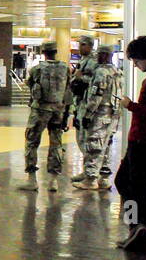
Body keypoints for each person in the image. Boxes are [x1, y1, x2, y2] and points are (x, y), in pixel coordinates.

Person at [115, 36, 146, 250]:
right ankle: (137, 225)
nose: (134, 64)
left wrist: (130, 105)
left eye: (135, 60)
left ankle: (136, 225)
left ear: (143, 57)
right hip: (140, 140)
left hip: (141, 141)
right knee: (129, 183)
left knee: (129, 183)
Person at [18, 40, 72, 192]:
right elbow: (68, 92)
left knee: (31, 141)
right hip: (58, 110)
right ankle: (53, 181)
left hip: (40, 110)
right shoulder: (65, 68)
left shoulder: (37, 69)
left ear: (44, 52)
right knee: (56, 143)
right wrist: (66, 114)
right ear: (56, 51)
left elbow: (30, 85)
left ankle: (32, 180)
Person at [74, 44, 119, 191]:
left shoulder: (100, 72)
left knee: (93, 145)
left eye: (99, 54)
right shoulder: (116, 71)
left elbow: (96, 95)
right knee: (106, 146)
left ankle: (90, 179)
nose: (97, 57)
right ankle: (104, 179)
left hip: (99, 114)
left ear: (105, 55)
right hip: (112, 115)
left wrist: (88, 114)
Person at [69, 35, 98, 181]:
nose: (80, 47)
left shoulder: (93, 61)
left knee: (86, 140)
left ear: (90, 46)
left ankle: (90, 173)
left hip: (87, 105)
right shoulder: (83, 61)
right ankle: (88, 171)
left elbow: (95, 82)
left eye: (83, 45)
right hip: (80, 104)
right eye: (79, 44)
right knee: (81, 139)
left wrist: (80, 78)